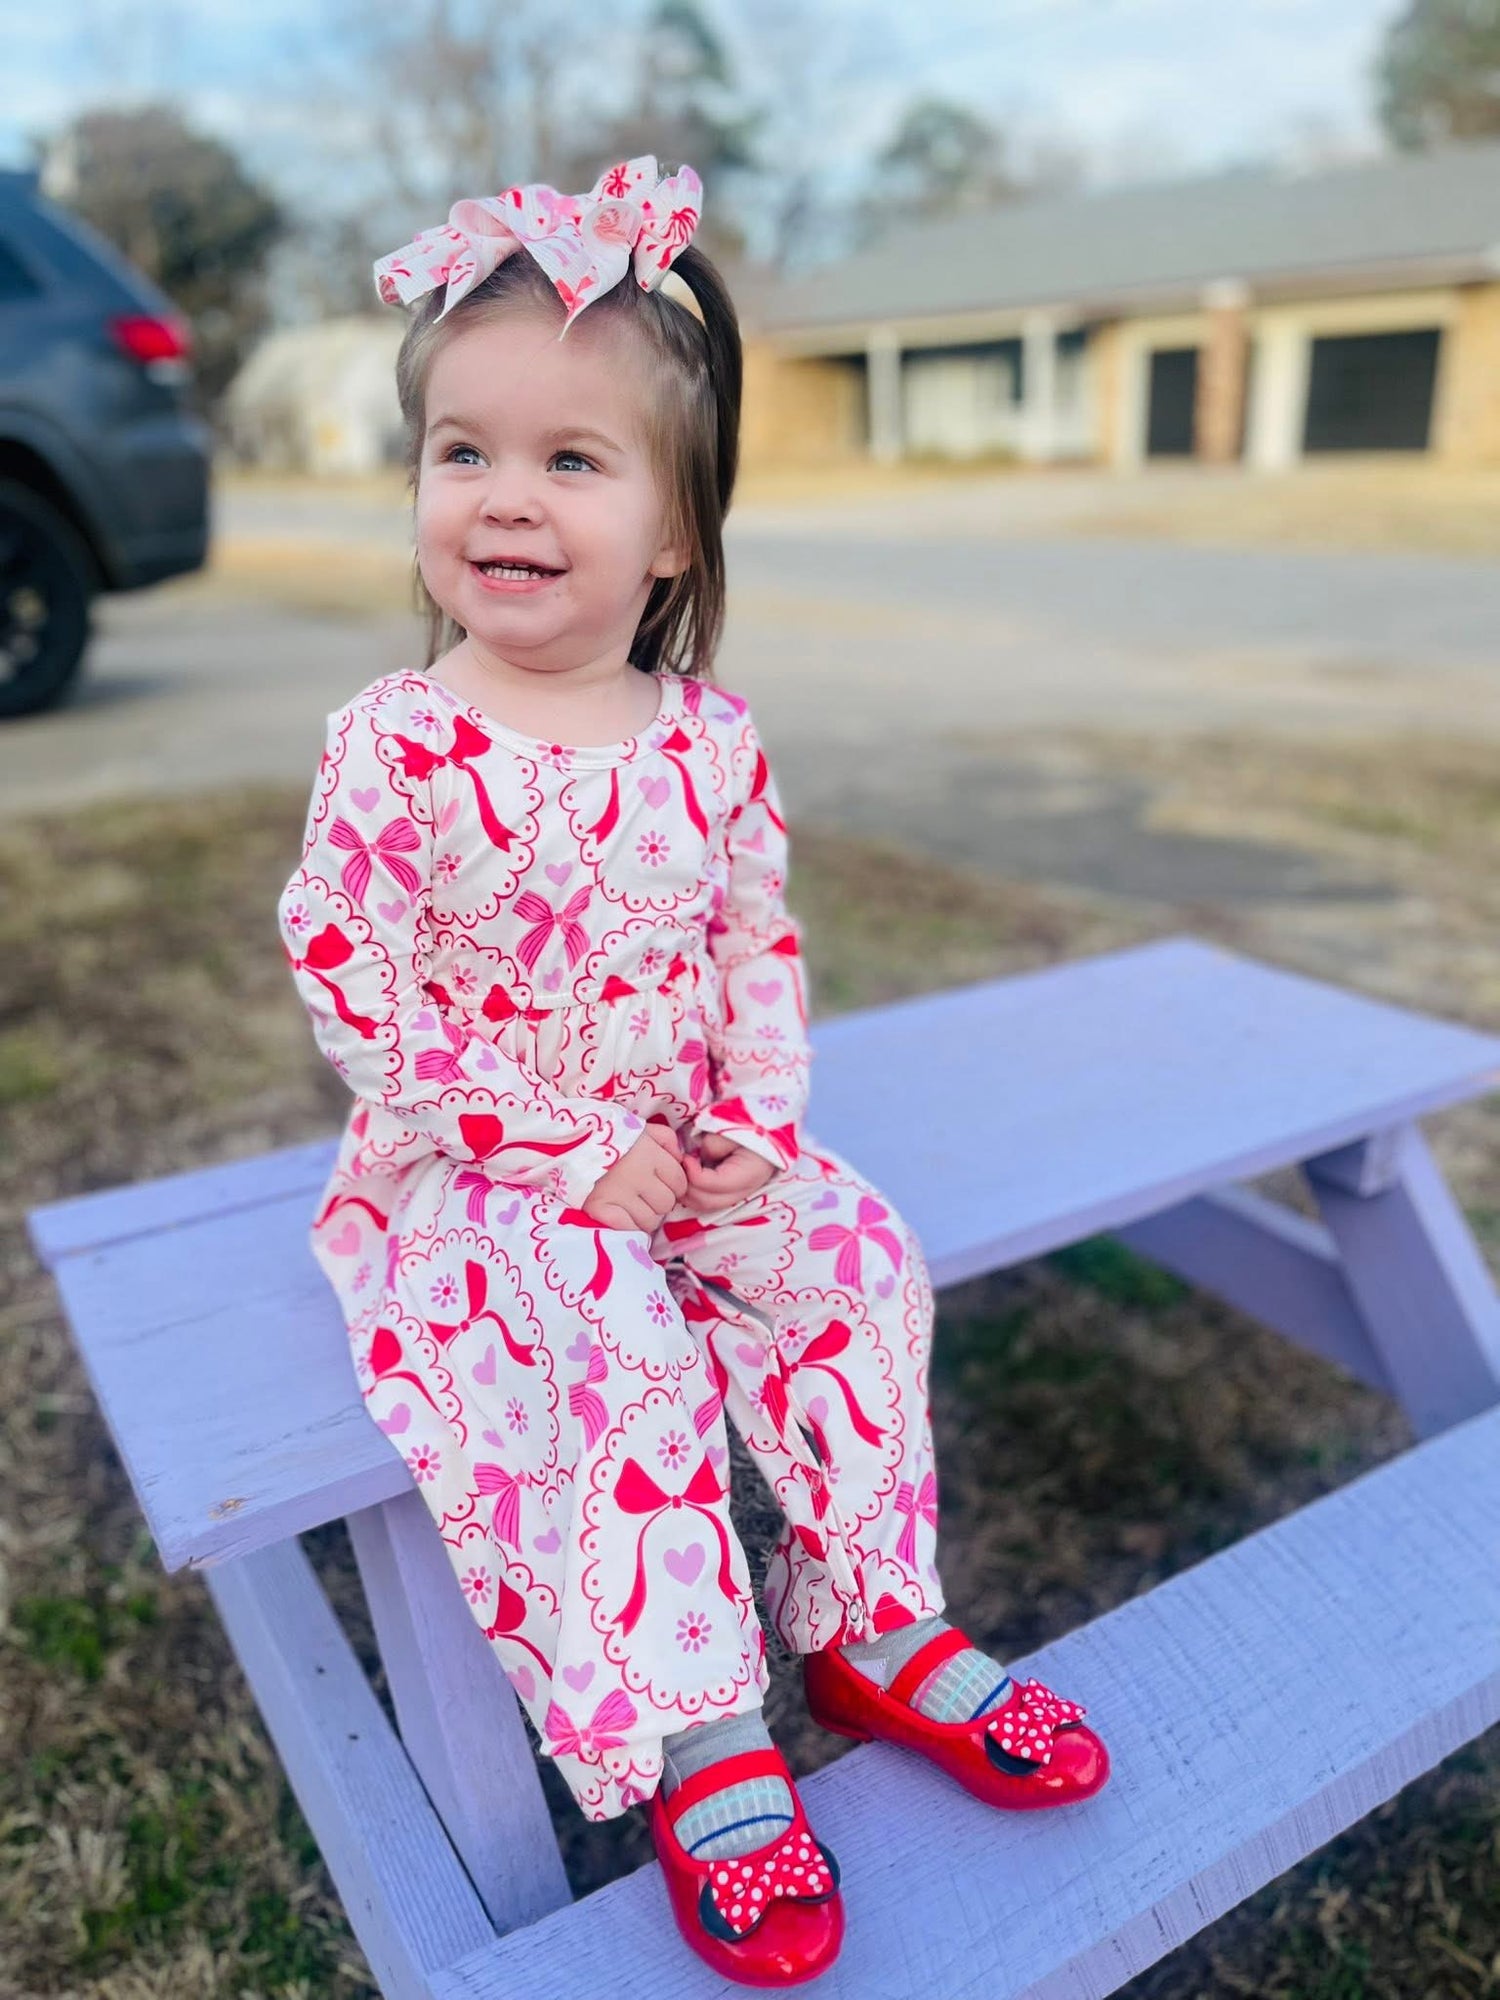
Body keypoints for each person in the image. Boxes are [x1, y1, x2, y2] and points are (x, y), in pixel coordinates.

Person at [277, 156, 1109, 1987]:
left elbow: (754, 950)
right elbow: (356, 984)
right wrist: (558, 1148)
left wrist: (750, 1120)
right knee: (620, 1340)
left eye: (572, 460)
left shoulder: (708, 742)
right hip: (484, 1179)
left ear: (672, 530)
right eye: (462, 451)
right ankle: (704, 1730)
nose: (504, 496)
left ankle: (871, 1624)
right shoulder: (397, 746)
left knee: (854, 1255)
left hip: (686, 1144)